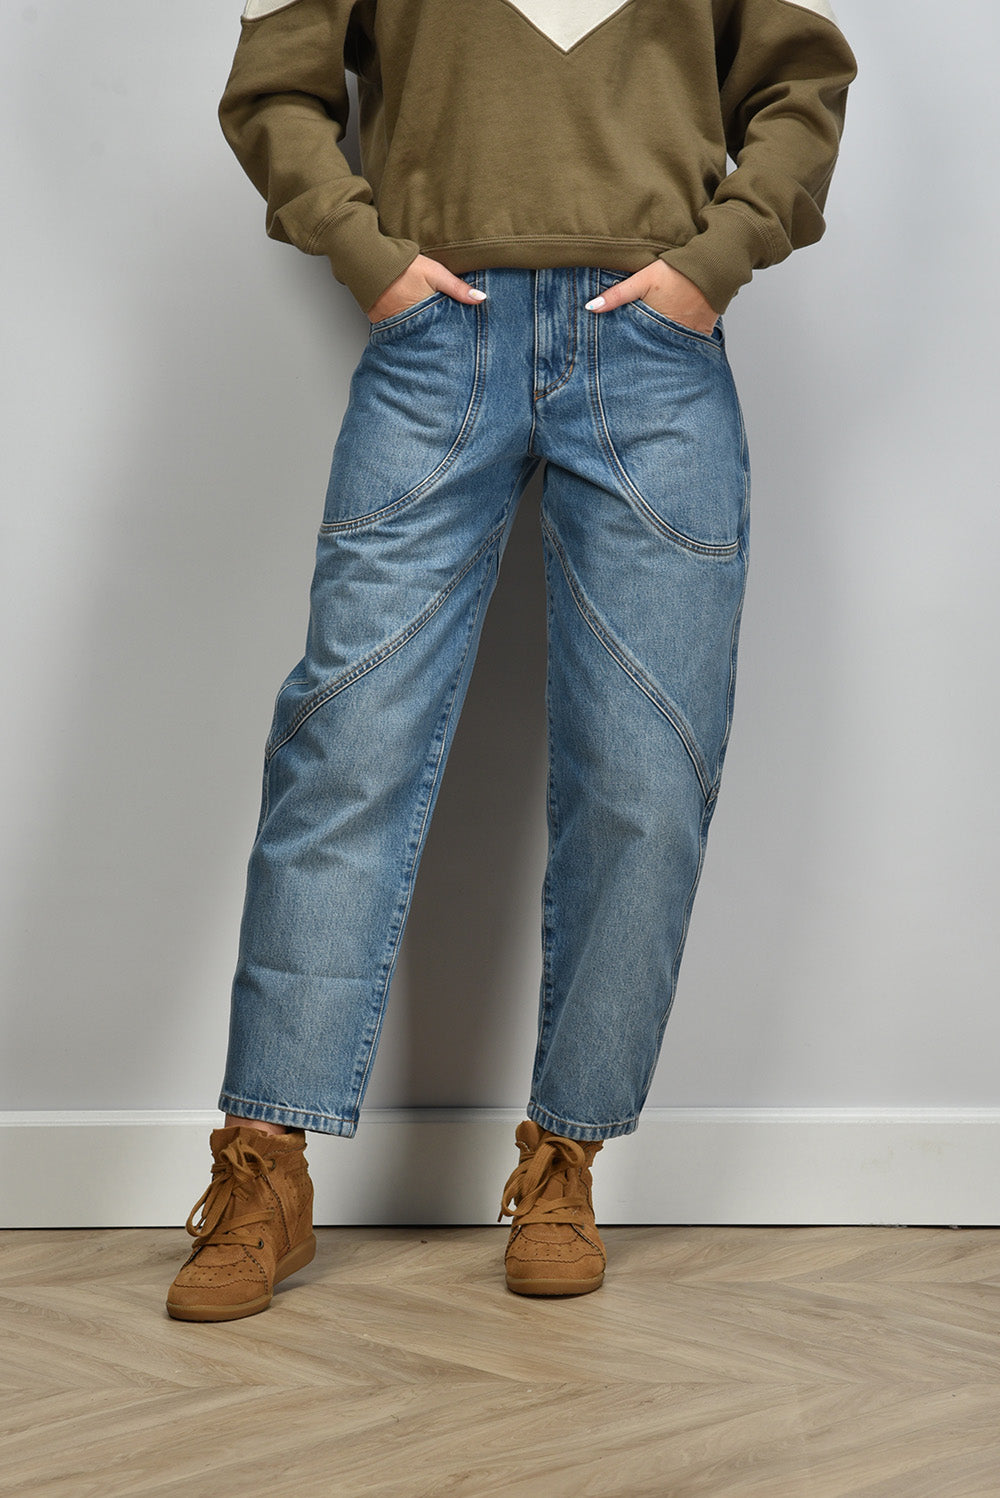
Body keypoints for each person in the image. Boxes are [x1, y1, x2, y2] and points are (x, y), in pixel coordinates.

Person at [166, 0, 857, 1321]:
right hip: (436, 345)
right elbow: (277, 87)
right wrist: (365, 253)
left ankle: (563, 1163)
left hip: (654, 350)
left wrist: (712, 265)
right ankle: (264, 1166)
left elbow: (800, 83)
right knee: (344, 746)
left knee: (647, 774)